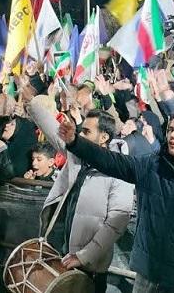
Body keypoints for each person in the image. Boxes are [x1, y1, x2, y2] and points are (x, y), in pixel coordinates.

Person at [59, 108, 174, 293]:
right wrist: (75, 142)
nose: (172, 135)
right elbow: (110, 161)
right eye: (170, 129)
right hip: (147, 277)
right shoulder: (150, 166)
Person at [29, 97, 133, 293]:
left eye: (86, 131)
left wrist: (83, 256)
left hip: (90, 269)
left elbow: (116, 223)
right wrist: (33, 101)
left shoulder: (121, 170)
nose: (80, 135)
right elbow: (49, 125)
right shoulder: (77, 155)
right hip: (63, 257)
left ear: (104, 137)